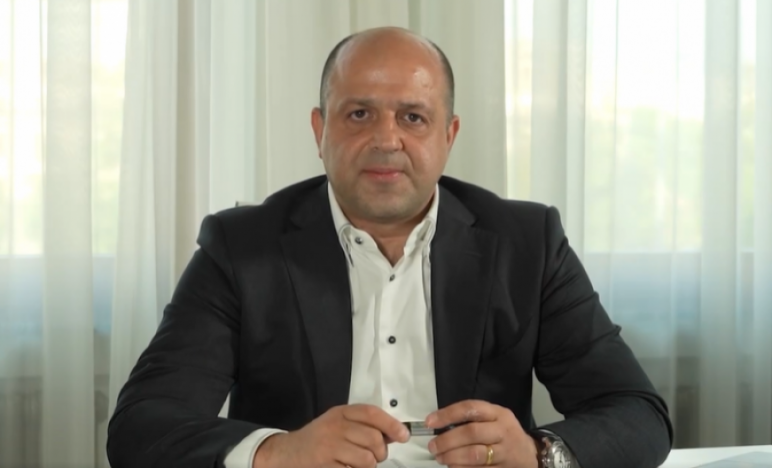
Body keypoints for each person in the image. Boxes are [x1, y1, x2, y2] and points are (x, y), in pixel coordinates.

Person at [106, 27, 672, 468]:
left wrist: (536, 453)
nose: (385, 139)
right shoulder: (241, 247)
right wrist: (277, 453)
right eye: (359, 114)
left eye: (412, 117)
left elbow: (637, 413)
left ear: (448, 136)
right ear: (319, 131)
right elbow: (142, 426)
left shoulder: (527, 243)